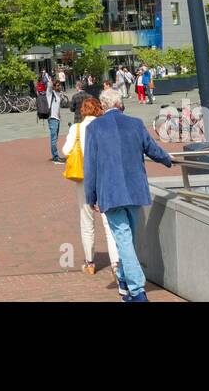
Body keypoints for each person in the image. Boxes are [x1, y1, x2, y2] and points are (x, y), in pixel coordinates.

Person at [84, 89, 174, 302]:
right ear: (120, 104)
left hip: (111, 193)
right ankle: (128, 283)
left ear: (103, 106)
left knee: (124, 242)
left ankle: (135, 289)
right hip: (134, 191)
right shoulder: (135, 123)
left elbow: (90, 166)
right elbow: (152, 149)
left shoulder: (94, 128)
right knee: (128, 241)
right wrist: (168, 160)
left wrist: (91, 197)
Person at [62, 95, 120, 278]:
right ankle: (116, 263)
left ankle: (89, 262)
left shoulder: (76, 128)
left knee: (86, 220)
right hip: (104, 176)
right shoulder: (105, 125)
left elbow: (64, 152)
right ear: (98, 109)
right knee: (109, 221)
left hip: (83, 178)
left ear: (82, 111)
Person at [47, 79, 63, 163]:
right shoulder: (50, 94)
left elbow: (57, 106)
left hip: (57, 118)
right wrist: (50, 81)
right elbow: (49, 87)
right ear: (54, 86)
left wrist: (59, 115)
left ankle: (55, 155)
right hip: (52, 118)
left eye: (59, 85)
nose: (59, 86)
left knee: (55, 138)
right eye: (57, 85)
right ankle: (55, 157)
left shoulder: (58, 94)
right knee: (53, 139)